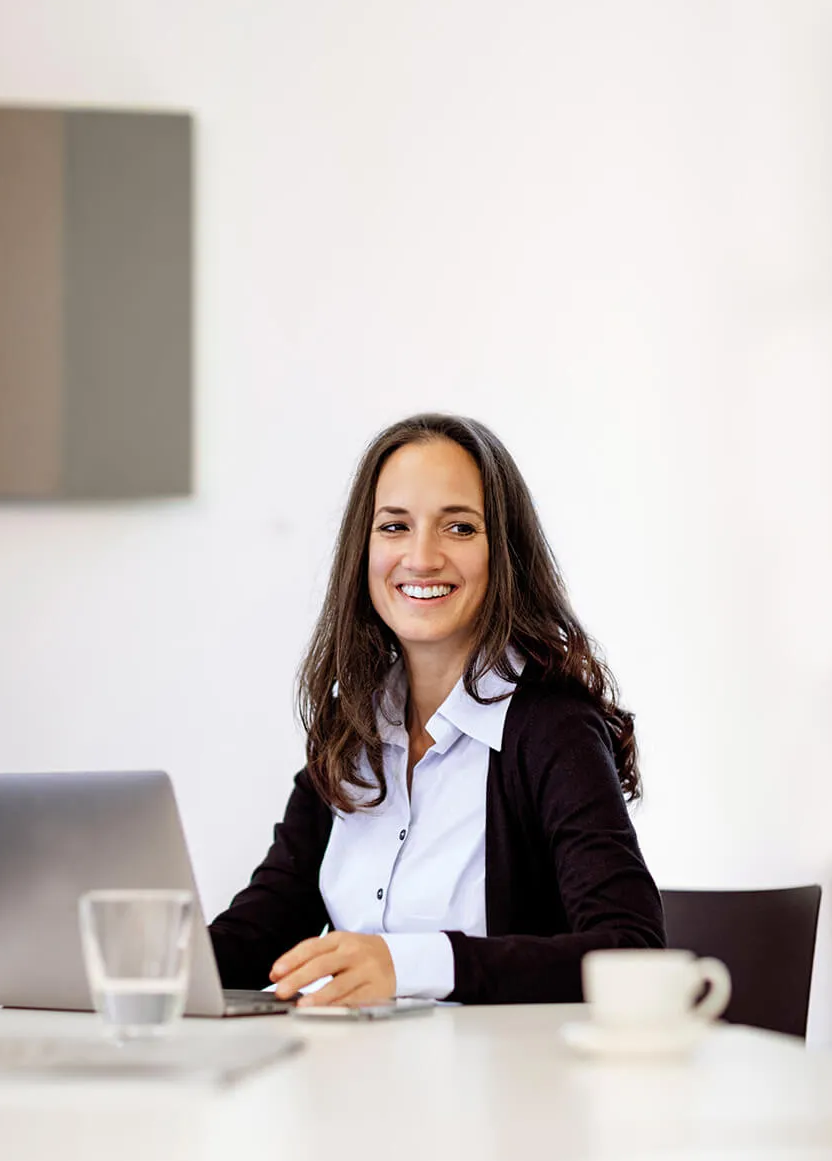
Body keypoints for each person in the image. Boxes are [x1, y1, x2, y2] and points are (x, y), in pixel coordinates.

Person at [210, 413, 665, 1006]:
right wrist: (132, 961)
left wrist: (411, 963)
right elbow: (260, 933)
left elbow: (631, 952)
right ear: (363, 551)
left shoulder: (552, 728)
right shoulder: (350, 728)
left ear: (504, 552)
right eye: (394, 526)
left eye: (459, 528)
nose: (422, 558)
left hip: (507, 1089)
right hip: (352, 1082)